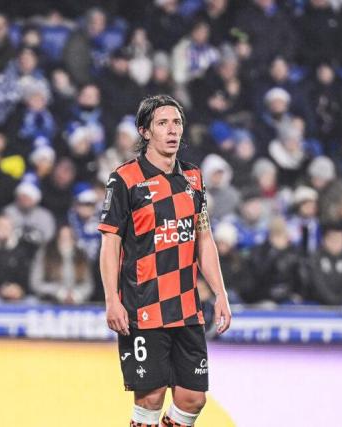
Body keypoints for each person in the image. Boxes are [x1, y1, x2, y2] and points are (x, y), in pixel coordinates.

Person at [98, 95, 231, 426]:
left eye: (177, 123)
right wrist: (112, 300)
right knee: (151, 396)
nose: (172, 131)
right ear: (145, 131)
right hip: (143, 306)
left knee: (192, 397)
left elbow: (204, 238)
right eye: (162, 123)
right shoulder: (125, 179)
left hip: (187, 306)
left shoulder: (194, 179)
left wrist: (220, 294)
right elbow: (110, 242)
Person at [30, 225, 93, 305]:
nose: (66, 240)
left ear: (74, 239)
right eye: (62, 237)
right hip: (49, 303)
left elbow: (88, 285)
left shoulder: (81, 256)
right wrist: (58, 292)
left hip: (77, 304)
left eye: (69, 237)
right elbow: (36, 283)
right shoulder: (46, 255)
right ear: (57, 239)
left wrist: (76, 295)